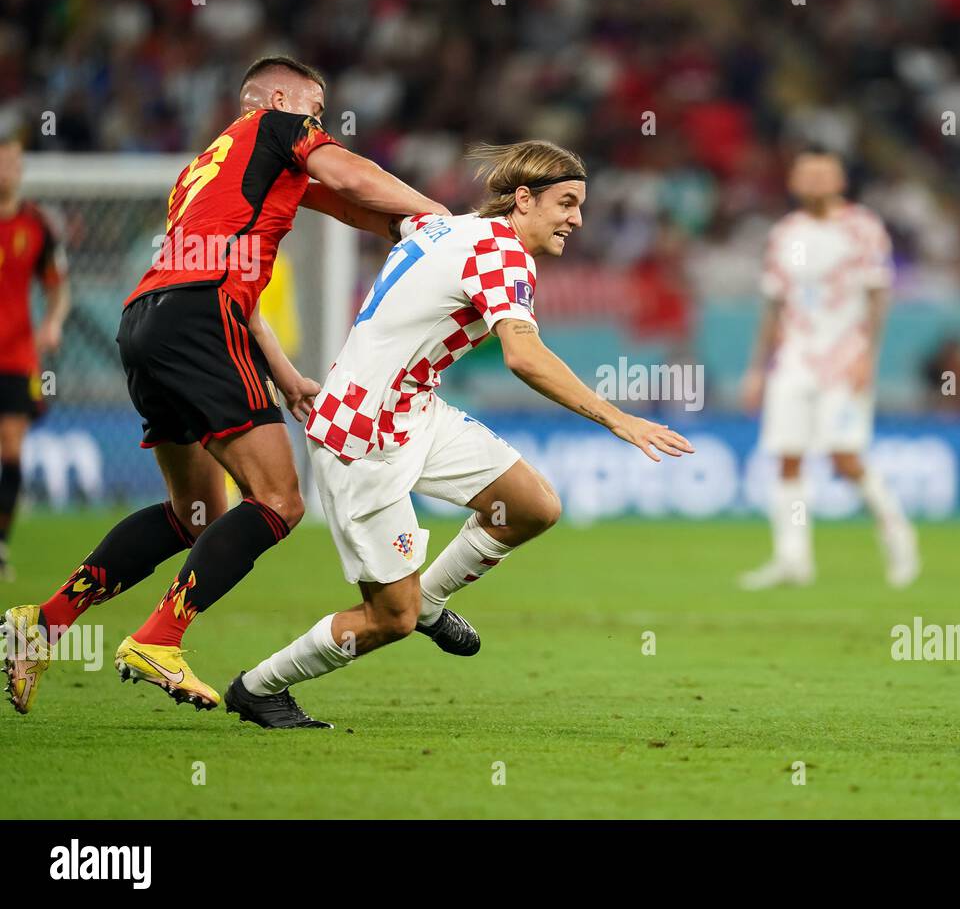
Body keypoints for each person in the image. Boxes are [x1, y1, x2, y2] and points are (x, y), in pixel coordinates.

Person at [2, 56, 447, 715]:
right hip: (201, 320)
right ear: (273, 97)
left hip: (147, 324)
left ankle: (42, 624)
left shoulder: (199, 175)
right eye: (313, 110)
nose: (318, 123)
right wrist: (436, 212)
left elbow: (350, 208)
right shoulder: (273, 126)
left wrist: (403, 231)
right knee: (279, 500)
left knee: (195, 515)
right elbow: (352, 174)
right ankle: (159, 638)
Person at [223, 140, 693, 728]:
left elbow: (352, 204)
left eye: (581, 205)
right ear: (523, 200)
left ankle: (432, 603)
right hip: (362, 433)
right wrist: (619, 418)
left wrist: (281, 191)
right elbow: (523, 357)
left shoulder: (441, 225)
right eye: (566, 203)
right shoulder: (502, 256)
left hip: (415, 409)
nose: (577, 219)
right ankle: (259, 687)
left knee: (531, 506)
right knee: (388, 618)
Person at [738, 151, 918, 591]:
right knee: (787, 456)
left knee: (844, 456)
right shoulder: (785, 234)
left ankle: (896, 531)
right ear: (794, 181)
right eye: (807, 173)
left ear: (840, 179)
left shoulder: (863, 228)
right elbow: (774, 304)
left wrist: (867, 356)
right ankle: (792, 559)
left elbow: (879, 296)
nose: (815, 181)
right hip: (795, 357)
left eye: (824, 173)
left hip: (844, 356)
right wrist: (758, 369)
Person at [0, 137, 71, 581]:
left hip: (17, 355)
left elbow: (58, 285)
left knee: (11, 448)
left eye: (14, 160)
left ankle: (1, 544)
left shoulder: (37, 225)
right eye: (2, 159)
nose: (9, 167)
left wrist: (54, 322)